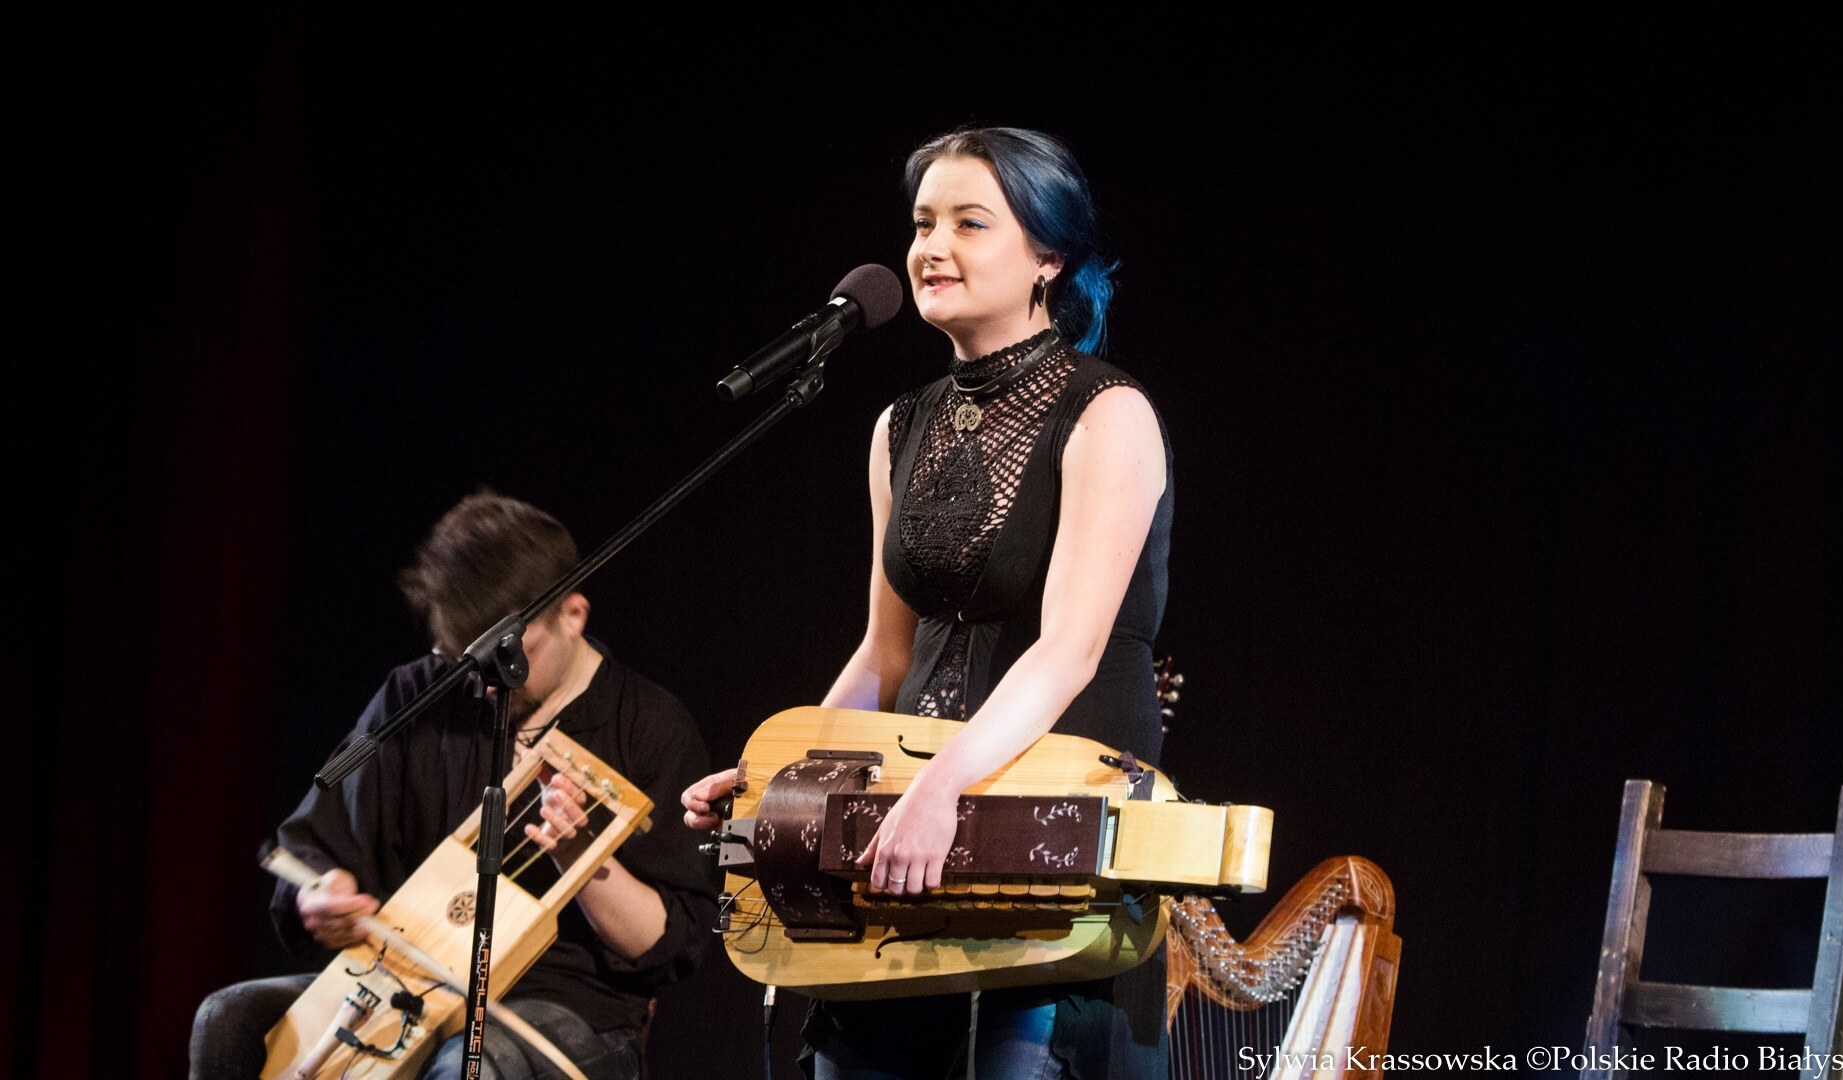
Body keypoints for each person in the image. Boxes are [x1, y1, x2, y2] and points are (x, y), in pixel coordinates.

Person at [684, 127, 1173, 1079]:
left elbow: (1069, 650)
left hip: (1044, 830)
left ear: (1048, 256)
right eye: (922, 223)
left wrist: (940, 787)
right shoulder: (899, 425)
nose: (931, 248)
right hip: (906, 833)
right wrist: (777, 774)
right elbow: (887, 652)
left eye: (969, 223)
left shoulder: (1108, 412)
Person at [193, 491, 718, 1080]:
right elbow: (317, 846)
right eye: (460, 659)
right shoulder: (415, 697)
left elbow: (667, 944)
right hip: (402, 979)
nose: (484, 683)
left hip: (564, 1006)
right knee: (228, 1019)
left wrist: (581, 856)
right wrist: (321, 894)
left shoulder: (649, 728)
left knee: (472, 1063)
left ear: (572, 614)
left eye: (506, 655)